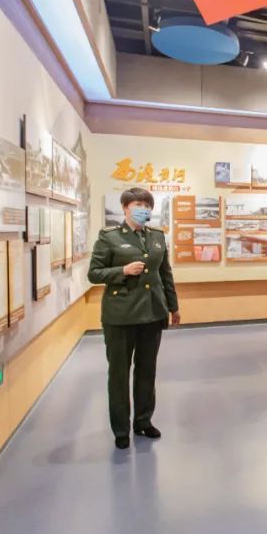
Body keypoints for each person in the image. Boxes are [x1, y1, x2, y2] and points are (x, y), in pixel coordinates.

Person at [88, 187, 180, 450]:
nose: (144, 209)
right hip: (121, 316)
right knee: (119, 374)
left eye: (148, 205)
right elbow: (94, 273)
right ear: (125, 207)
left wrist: (173, 307)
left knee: (147, 371)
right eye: (138, 204)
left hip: (152, 313)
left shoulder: (157, 237)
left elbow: (165, 274)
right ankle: (121, 430)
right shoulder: (109, 237)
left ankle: (143, 421)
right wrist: (123, 271)